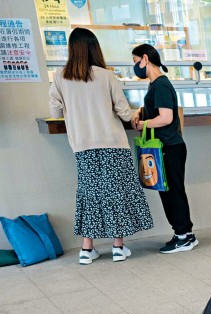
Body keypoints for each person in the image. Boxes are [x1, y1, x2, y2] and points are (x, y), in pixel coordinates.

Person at [48, 28, 152, 265]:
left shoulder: (60, 77)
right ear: (95, 48)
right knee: (116, 195)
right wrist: (137, 114)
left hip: (82, 147)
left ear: (72, 49)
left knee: (89, 195)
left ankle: (86, 250)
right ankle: (118, 247)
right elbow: (125, 114)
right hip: (113, 144)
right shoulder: (107, 76)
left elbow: (54, 112)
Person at [131, 44, 196, 254]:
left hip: (169, 147)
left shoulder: (160, 85)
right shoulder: (156, 85)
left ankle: (183, 236)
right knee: (170, 191)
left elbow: (166, 117)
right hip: (167, 146)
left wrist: (143, 125)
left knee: (172, 192)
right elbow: (158, 111)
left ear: (145, 59)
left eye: (135, 62)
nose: (135, 67)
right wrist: (140, 114)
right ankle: (184, 234)